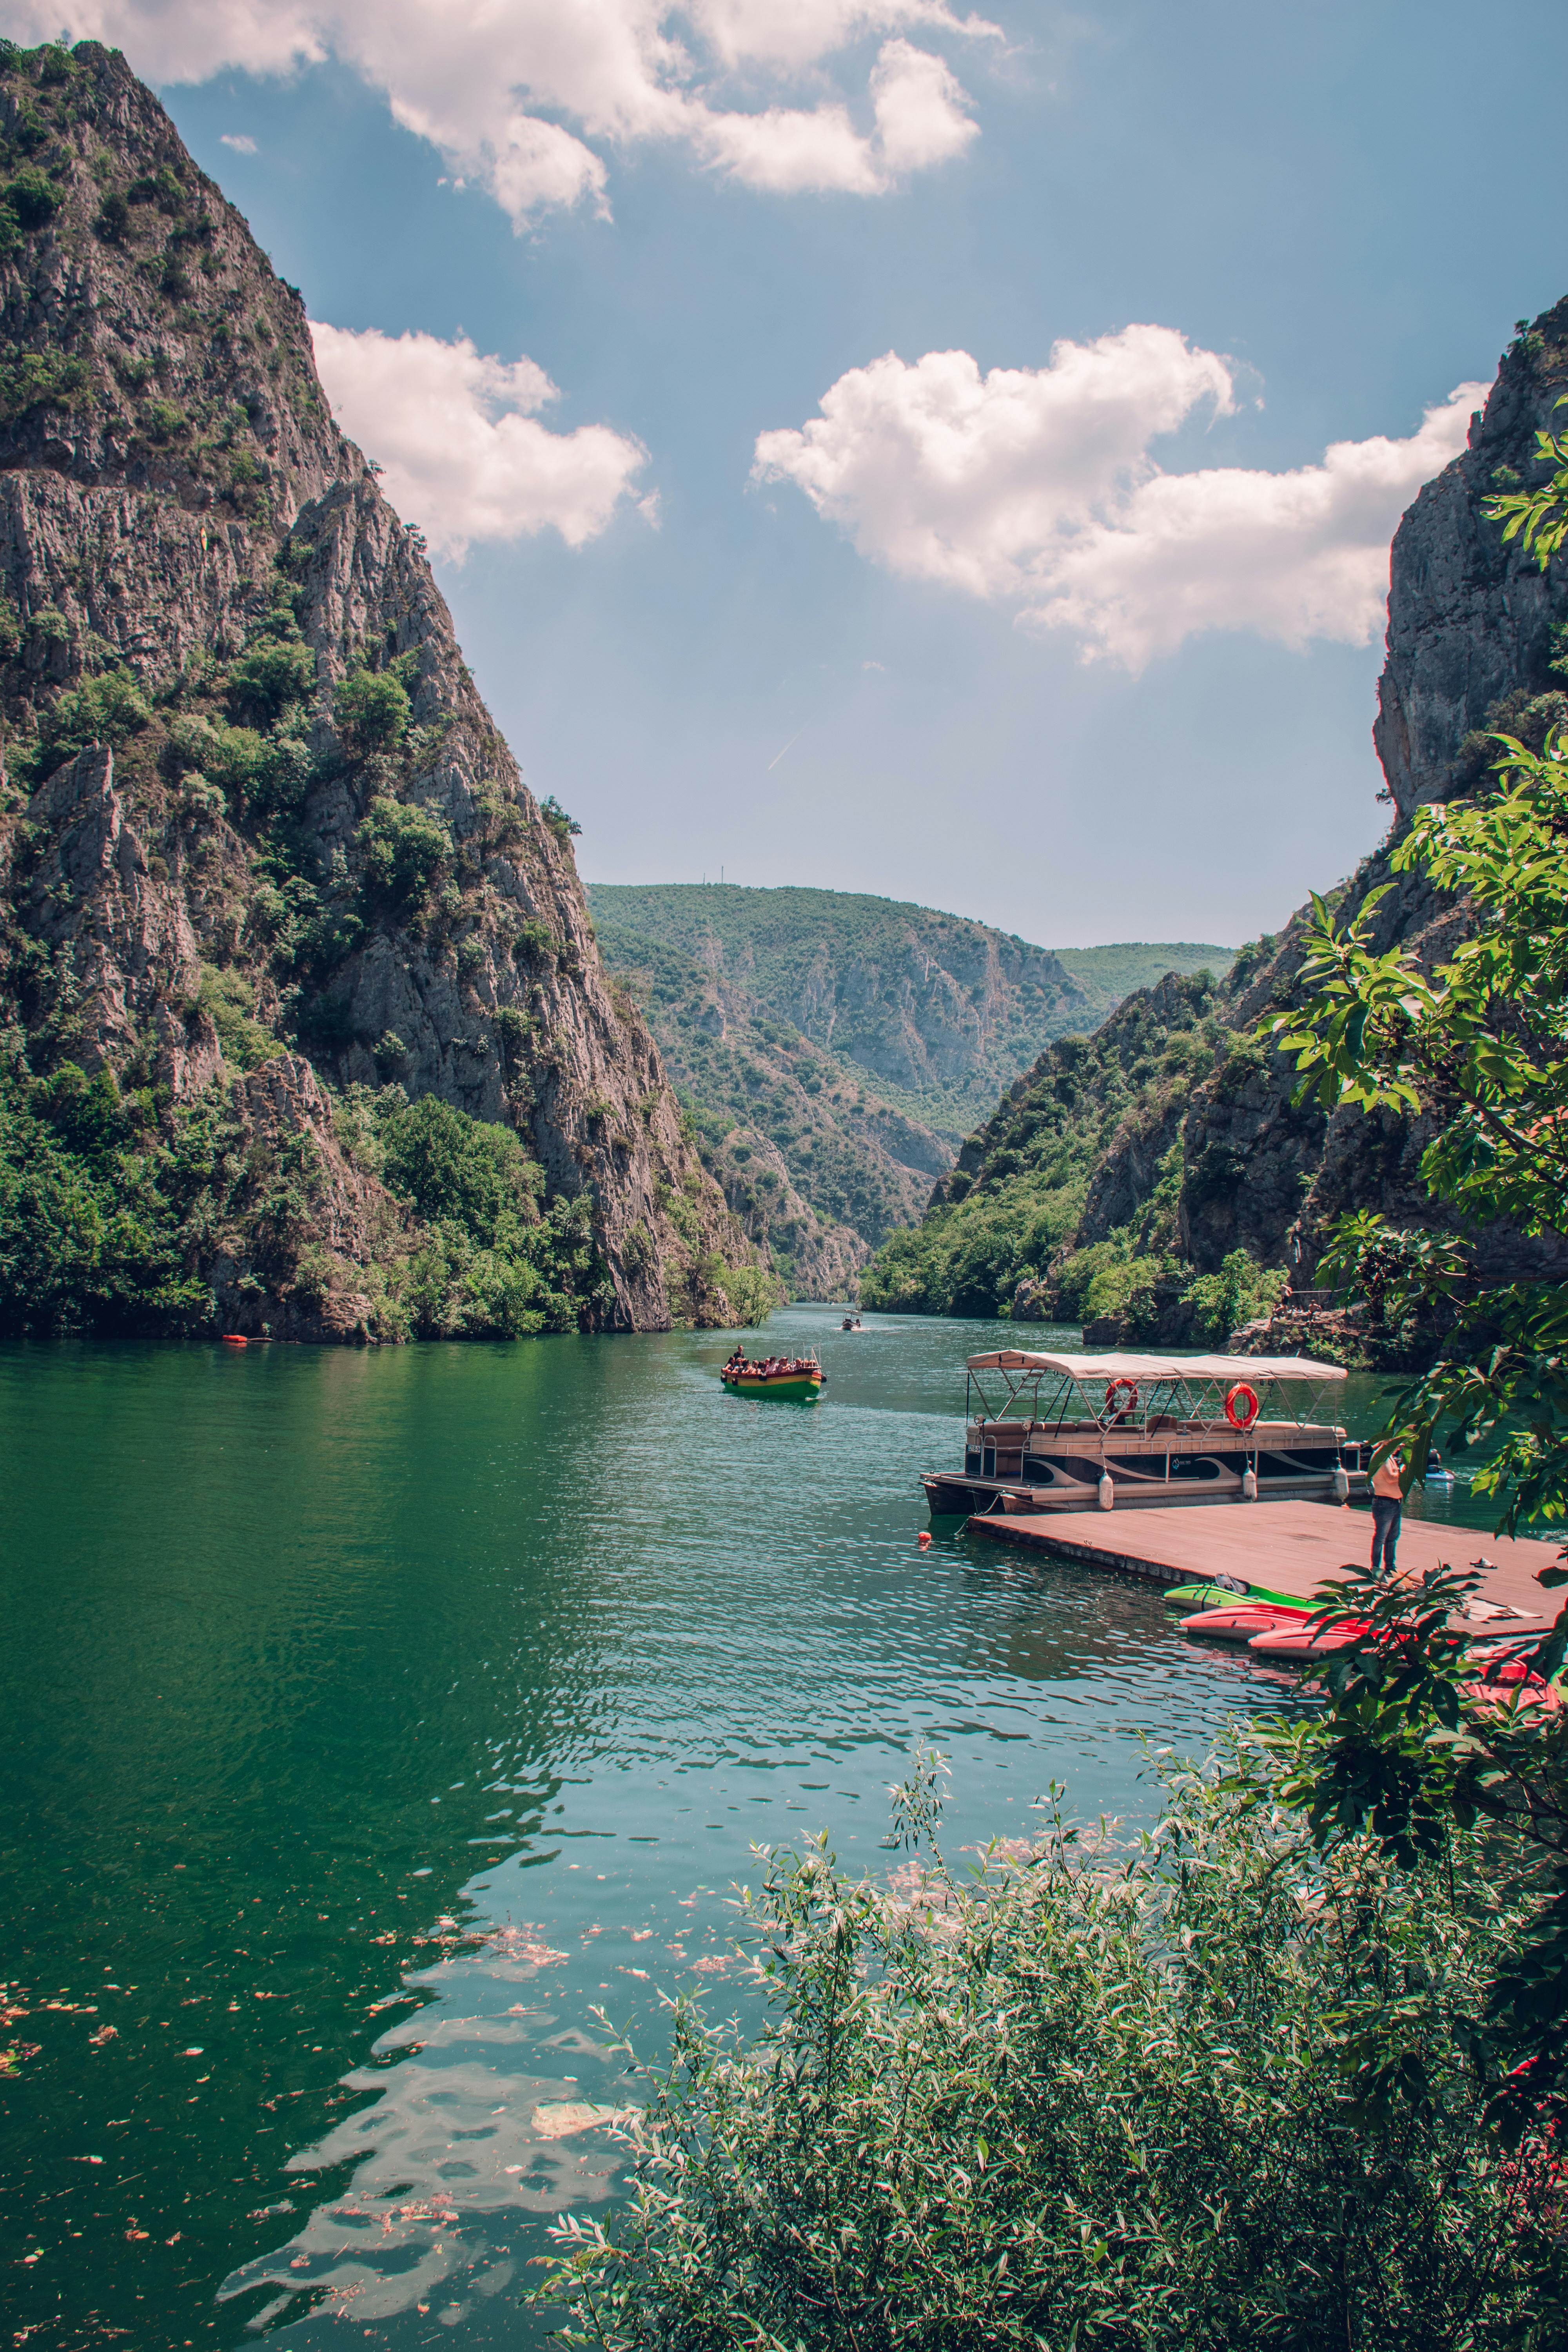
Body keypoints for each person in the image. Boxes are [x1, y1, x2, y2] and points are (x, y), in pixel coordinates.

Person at [1370, 1447, 1405, 1578]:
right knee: (1381, 1538)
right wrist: (1405, 1472)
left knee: (1392, 1537)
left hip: (1396, 1502)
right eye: (1399, 1443)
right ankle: (1376, 1569)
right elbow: (1391, 1478)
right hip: (1384, 1503)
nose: (1400, 1447)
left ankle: (1390, 1568)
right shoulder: (1382, 1456)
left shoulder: (1390, 1456)